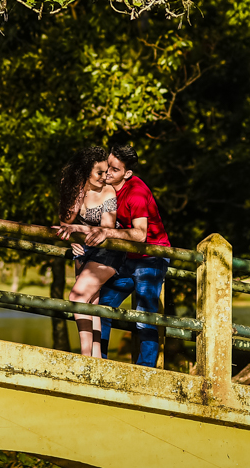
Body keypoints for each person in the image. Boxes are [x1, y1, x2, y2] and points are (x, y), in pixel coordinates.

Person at [54, 144, 170, 367]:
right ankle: (100, 364)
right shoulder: (102, 185)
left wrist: (104, 231)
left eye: (113, 170)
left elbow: (140, 235)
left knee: (144, 316)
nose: (107, 174)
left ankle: (145, 373)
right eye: (106, 168)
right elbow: (70, 216)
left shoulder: (135, 193)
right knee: (103, 306)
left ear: (127, 173)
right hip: (124, 254)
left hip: (150, 256)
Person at [57, 145, 125, 358]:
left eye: (107, 172)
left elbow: (107, 229)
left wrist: (75, 229)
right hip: (84, 249)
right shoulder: (74, 188)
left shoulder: (108, 192)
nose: (105, 177)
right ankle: (96, 359)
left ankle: (85, 359)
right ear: (85, 170)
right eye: (99, 172)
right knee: (90, 302)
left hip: (108, 250)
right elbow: (64, 221)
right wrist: (78, 193)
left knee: (77, 297)